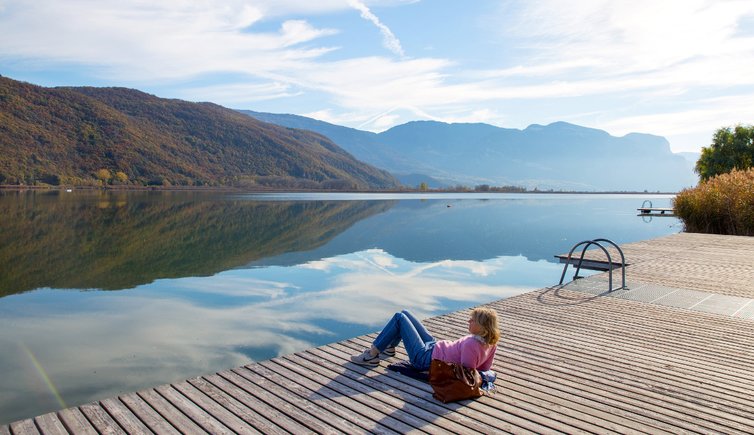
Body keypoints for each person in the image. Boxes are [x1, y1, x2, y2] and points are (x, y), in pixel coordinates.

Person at [350, 307, 499, 371]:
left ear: (481, 326)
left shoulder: (471, 344)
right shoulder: (491, 342)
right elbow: (485, 368)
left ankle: (371, 355)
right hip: (435, 348)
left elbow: (466, 372)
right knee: (405, 313)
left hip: (424, 358)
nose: (468, 322)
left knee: (399, 318)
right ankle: (388, 347)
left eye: (472, 320)